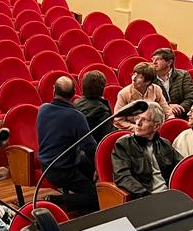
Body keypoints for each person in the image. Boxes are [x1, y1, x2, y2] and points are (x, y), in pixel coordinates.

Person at [37, 76, 98, 213]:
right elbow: (89, 147)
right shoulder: (76, 116)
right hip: (63, 170)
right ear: (73, 94)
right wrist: (99, 167)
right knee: (97, 196)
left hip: (46, 165)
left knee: (85, 162)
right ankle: (56, 201)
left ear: (54, 91)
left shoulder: (43, 109)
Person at [110, 104, 182, 198]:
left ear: (156, 126)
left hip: (169, 194)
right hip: (144, 197)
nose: (138, 123)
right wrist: (145, 196)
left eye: (144, 120)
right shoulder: (123, 144)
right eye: (137, 118)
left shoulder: (164, 144)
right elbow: (122, 176)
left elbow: (181, 166)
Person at [114, 61, 171, 129]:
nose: (133, 79)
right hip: (133, 130)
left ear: (148, 81)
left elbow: (168, 112)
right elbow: (118, 121)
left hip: (153, 129)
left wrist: (168, 123)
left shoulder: (156, 89)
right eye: (134, 74)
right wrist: (139, 128)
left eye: (139, 77)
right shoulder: (124, 93)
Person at [151, 48, 193, 118]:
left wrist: (179, 108)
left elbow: (192, 97)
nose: (154, 62)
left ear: (169, 62)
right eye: (153, 59)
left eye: (158, 59)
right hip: (160, 116)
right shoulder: (150, 78)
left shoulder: (183, 75)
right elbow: (150, 100)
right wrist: (168, 106)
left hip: (183, 113)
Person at [74, 69, 113, 142]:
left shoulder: (75, 104)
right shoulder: (104, 112)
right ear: (102, 88)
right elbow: (105, 140)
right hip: (94, 150)